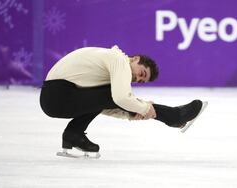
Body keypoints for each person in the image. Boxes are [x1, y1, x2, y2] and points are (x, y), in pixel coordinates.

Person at [39, 45, 207, 158]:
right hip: (58, 95)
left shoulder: (111, 64)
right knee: (117, 95)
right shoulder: (118, 60)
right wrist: (143, 108)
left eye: (142, 81)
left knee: (113, 95)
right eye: (142, 73)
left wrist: (130, 114)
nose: (138, 79)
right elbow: (119, 98)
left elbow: (102, 103)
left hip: (55, 97)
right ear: (134, 59)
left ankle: (73, 135)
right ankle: (175, 116)